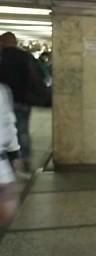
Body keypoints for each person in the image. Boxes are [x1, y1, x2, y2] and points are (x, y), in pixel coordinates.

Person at [0, 32, 48, 175]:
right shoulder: (26, 57)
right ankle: (24, 159)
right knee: (22, 130)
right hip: (22, 100)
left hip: (4, 102)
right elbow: (38, 77)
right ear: (15, 42)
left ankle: (7, 159)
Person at [0, 83, 21, 256]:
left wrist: (14, 152)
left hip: (1, 164)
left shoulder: (2, 91)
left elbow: (7, 122)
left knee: (7, 208)